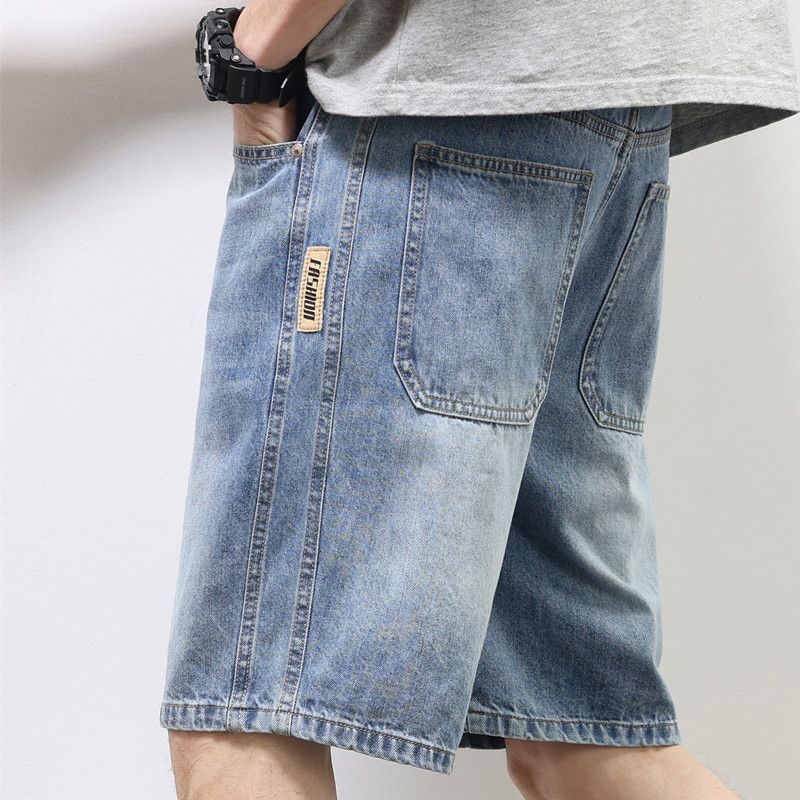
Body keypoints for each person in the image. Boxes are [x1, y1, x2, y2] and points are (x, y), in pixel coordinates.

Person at [161, 1, 800, 798]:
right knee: (577, 741)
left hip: (446, 100)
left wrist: (257, 48)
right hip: (620, 101)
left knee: (246, 715)